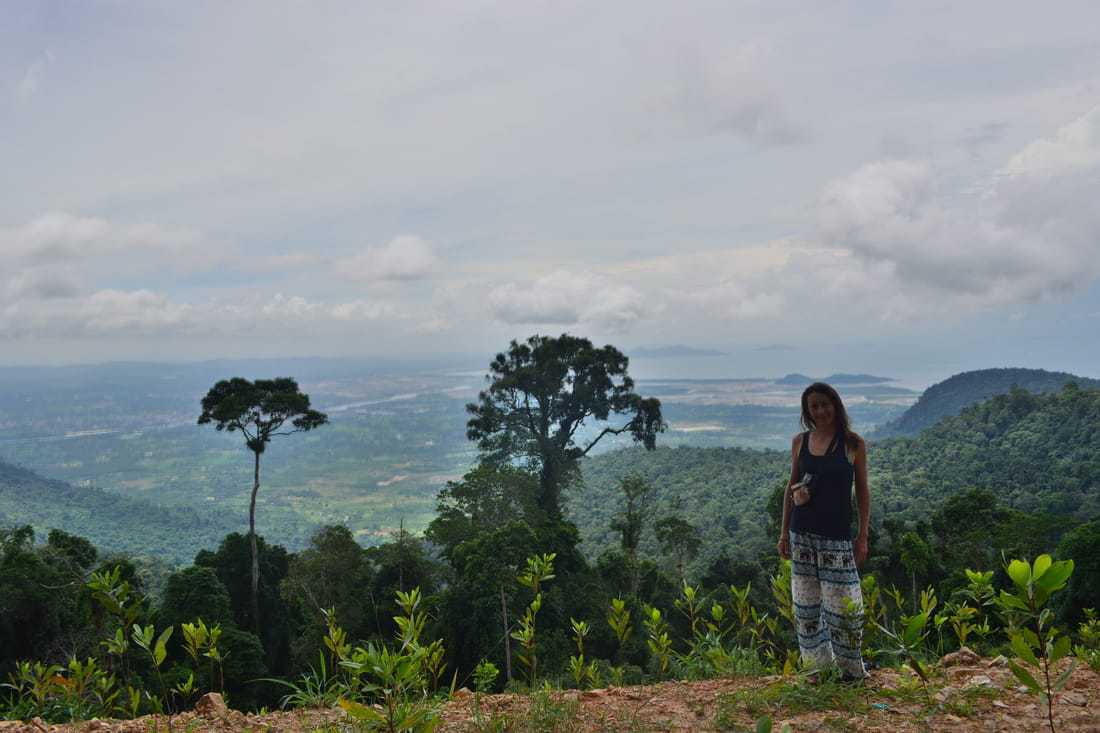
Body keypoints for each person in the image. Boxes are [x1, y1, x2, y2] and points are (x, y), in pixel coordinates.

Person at [777, 382, 870, 681]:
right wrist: (782, 534)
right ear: (807, 412)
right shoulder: (799, 442)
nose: (821, 410)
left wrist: (862, 535)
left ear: (836, 405)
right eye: (814, 406)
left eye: (825, 404)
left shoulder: (852, 443)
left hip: (837, 537)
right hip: (802, 534)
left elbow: (863, 492)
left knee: (844, 608)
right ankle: (817, 671)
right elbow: (788, 489)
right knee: (807, 609)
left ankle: (851, 672)